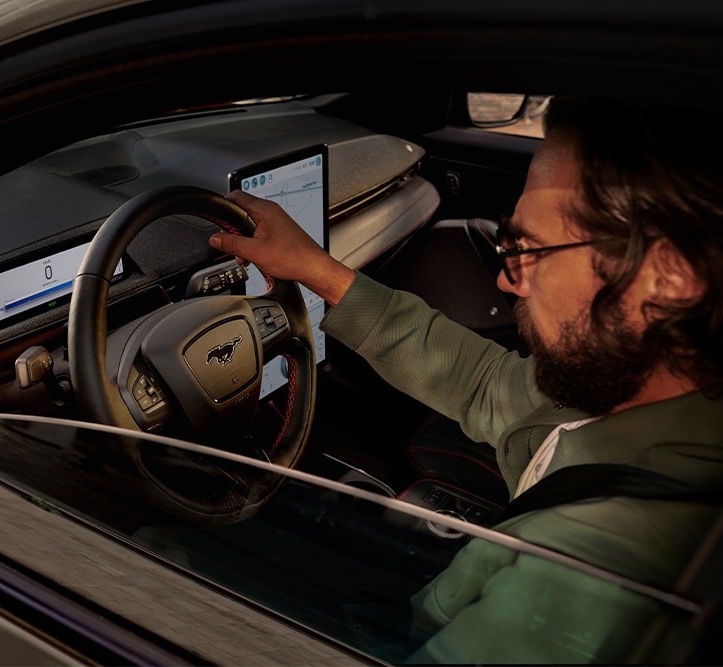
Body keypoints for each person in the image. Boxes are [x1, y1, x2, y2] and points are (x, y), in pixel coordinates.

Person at [209, 96, 723, 663]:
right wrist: (320, 273)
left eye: (527, 247)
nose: (509, 284)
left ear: (670, 277)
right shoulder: (631, 392)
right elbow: (484, 383)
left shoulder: (596, 565)